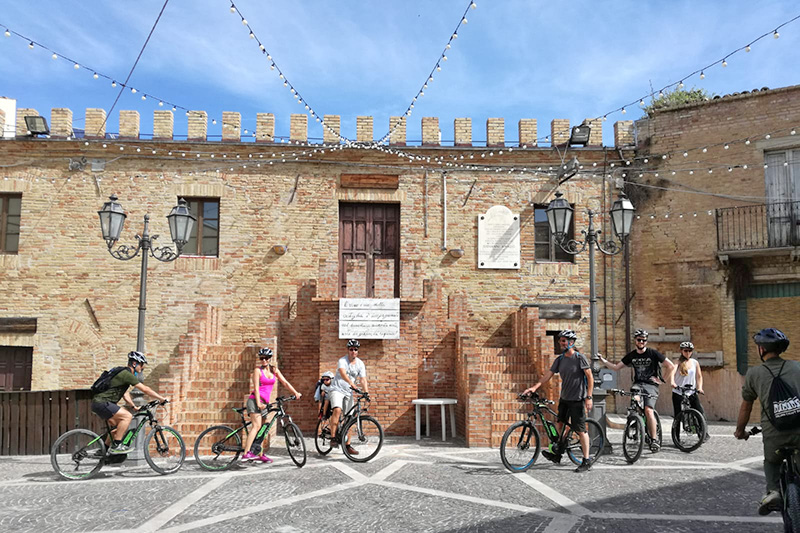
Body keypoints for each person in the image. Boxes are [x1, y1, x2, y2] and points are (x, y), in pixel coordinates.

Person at [734, 328, 800, 516]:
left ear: (761, 349)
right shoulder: (797, 367)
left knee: (772, 461)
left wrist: (740, 431)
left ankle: (773, 492)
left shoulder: (754, 374)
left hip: (774, 435)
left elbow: (746, 407)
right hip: (799, 431)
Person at [522, 329, 595, 473]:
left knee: (580, 430)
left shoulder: (580, 358)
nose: (560, 343)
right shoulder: (560, 359)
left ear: (571, 342)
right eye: (560, 340)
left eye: (563, 341)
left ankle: (586, 460)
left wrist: (589, 397)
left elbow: (590, 377)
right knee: (560, 424)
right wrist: (534, 387)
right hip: (565, 398)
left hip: (578, 399)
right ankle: (558, 454)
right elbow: (548, 375)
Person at [600, 328, 677, 452]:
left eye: (644, 340)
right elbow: (615, 368)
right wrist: (603, 360)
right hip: (637, 384)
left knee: (648, 410)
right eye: (639, 340)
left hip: (651, 386)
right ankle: (636, 421)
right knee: (634, 402)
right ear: (635, 341)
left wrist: (661, 380)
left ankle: (653, 439)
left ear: (646, 341)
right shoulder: (632, 355)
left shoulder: (653, 353)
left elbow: (671, 366)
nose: (641, 342)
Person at [90, 351, 168, 454]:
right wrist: (161, 398)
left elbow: (125, 393)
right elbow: (145, 389)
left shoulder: (123, 373)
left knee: (117, 428)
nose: (142, 368)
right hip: (102, 402)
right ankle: (117, 446)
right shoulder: (126, 374)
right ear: (134, 364)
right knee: (127, 417)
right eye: (141, 364)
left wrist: (133, 406)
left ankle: (103, 450)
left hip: (100, 403)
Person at [242, 347, 302, 463]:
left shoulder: (274, 370)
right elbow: (256, 388)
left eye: (266, 358)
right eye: (262, 358)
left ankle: (259, 453)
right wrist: (258, 403)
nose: (264, 360)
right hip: (255, 401)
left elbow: (284, 382)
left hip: (265, 403)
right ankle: (246, 453)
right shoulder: (257, 371)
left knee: (263, 430)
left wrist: (295, 392)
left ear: (270, 359)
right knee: (256, 426)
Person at [329, 339, 369, 456]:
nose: (353, 352)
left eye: (355, 349)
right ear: (348, 350)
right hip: (337, 389)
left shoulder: (360, 364)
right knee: (337, 409)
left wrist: (366, 392)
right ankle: (332, 438)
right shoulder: (342, 360)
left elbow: (363, 379)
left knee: (350, 418)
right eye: (351, 349)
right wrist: (351, 383)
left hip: (348, 392)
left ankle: (347, 445)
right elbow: (342, 373)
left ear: (357, 351)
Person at [672, 341, 710, 441]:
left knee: (699, 411)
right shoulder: (677, 362)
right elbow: (672, 372)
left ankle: (702, 433)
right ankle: (676, 438)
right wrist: (672, 382)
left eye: (690, 351)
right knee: (678, 415)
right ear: (681, 351)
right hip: (679, 391)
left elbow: (699, 376)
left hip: (691, 391)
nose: (688, 353)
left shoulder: (694, 362)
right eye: (685, 351)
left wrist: (700, 387)